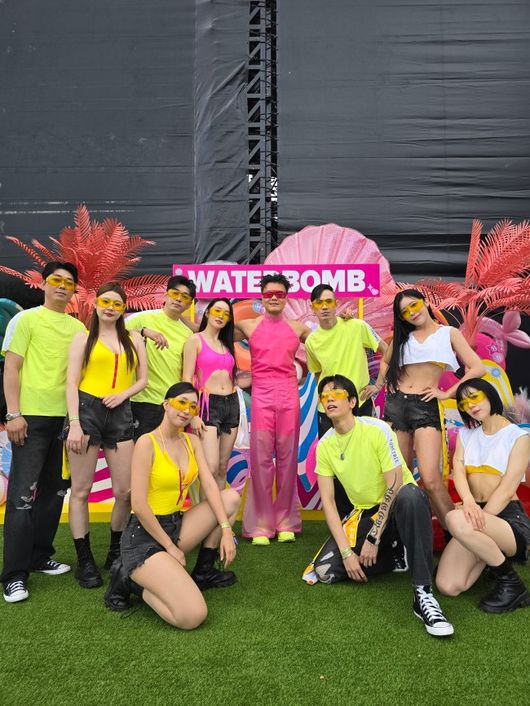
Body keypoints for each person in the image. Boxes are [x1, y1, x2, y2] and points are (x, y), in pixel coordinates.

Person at [311, 374, 454, 637]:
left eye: (336, 394)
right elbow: (328, 503)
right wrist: (346, 553)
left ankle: (423, 592)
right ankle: (396, 552)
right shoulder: (325, 446)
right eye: (324, 396)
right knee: (325, 571)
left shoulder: (376, 429)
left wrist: (373, 536)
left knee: (411, 496)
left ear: (352, 401)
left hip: (398, 503)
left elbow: (394, 484)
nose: (329, 399)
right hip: (365, 513)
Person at [104, 382, 240, 628]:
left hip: (175, 525)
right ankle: (128, 580)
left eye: (193, 407)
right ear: (166, 405)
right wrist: (170, 548)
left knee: (230, 498)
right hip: (144, 536)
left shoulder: (192, 441)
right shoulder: (147, 442)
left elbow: (210, 485)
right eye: (181, 403)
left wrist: (226, 529)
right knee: (192, 616)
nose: (186, 410)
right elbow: (139, 505)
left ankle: (203, 571)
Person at [1, 261, 86, 603]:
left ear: (74, 289)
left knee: (54, 492)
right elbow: (11, 368)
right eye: (56, 280)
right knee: (22, 496)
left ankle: (39, 557)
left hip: (64, 421)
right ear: (44, 283)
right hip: (30, 418)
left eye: (69, 282)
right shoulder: (26, 319)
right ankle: (14, 575)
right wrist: (13, 414)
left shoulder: (77, 327)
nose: (62, 286)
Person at [375, 289, 485, 525]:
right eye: (405, 312)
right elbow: (385, 361)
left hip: (425, 406)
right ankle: (404, 536)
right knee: (400, 479)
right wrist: (382, 385)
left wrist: (447, 393)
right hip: (396, 405)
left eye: (414, 305)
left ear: (425, 302)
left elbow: (478, 368)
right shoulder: (403, 337)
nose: (412, 313)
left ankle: (456, 533)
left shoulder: (448, 333)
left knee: (430, 478)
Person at [65, 283, 148, 588]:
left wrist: (122, 394)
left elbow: (143, 379)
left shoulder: (133, 338)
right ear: (96, 304)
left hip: (121, 412)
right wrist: (75, 423)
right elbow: (71, 383)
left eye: (117, 303)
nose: (110, 308)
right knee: (81, 490)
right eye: (105, 302)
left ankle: (115, 551)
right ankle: (84, 559)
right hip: (86, 411)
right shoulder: (82, 338)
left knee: (125, 492)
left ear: (124, 308)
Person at [436, 379, 530, 613]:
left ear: (489, 394)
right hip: (475, 512)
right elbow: (458, 469)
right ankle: (488, 556)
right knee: (448, 586)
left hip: (508, 521)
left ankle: (512, 584)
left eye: (474, 397)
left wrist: (474, 519)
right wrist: (469, 504)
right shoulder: (466, 435)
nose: (470, 405)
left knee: (454, 518)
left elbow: (507, 490)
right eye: (464, 403)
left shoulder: (518, 437)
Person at [236, 273, 311, 545]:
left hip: (289, 395)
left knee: (288, 458)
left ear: (286, 297)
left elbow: (327, 340)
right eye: (269, 294)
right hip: (261, 395)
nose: (274, 298)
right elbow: (211, 331)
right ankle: (260, 525)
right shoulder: (247, 325)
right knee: (261, 458)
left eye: (279, 294)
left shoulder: (298, 329)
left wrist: (347, 321)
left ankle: (286, 522)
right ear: (262, 297)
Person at [305, 283, 388, 518]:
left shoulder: (356, 326)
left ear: (336, 303)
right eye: (319, 303)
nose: (324, 307)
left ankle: (371, 518)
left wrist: (377, 384)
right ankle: (343, 521)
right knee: (335, 466)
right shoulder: (311, 341)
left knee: (367, 460)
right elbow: (318, 374)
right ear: (312, 308)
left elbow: (386, 350)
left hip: (359, 405)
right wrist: (327, 398)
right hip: (329, 412)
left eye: (329, 301)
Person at [125, 275, 196, 439]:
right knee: (140, 451)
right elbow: (112, 332)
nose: (178, 299)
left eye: (185, 297)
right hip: (141, 400)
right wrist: (143, 331)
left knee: (168, 452)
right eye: (174, 293)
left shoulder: (188, 334)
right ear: (165, 295)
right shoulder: (142, 318)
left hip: (171, 404)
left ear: (189, 304)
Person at [182, 298, 239, 491]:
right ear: (207, 313)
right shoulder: (195, 340)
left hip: (231, 405)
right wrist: (192, 414)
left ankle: (219, 511)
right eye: (217, 311)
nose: (221, 316)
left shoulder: (226, 344)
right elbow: (186, 378)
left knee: (222, 468)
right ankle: (206, 510)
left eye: (226, 314)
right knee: (210, 468)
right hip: (207, 406)